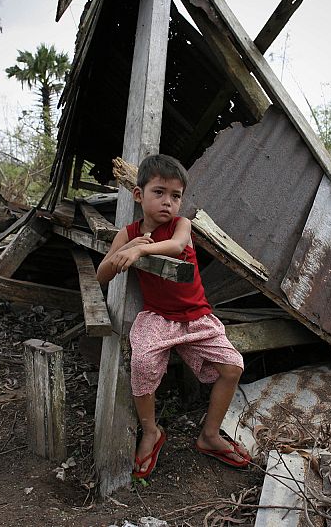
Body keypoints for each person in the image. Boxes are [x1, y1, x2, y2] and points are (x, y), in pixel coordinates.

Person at [96, 154, 251, 479]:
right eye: (159, 192)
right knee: (141, 365)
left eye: (176, 196)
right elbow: (101, 275)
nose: (168, 202)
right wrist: (126, 249)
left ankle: (209, 435)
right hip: (158, 317)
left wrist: (142, 250)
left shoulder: (182, 225)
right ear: (139, 195)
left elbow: (178, 245)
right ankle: (151, 431)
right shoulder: (128, 233)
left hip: (196, 319)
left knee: (232, 366)